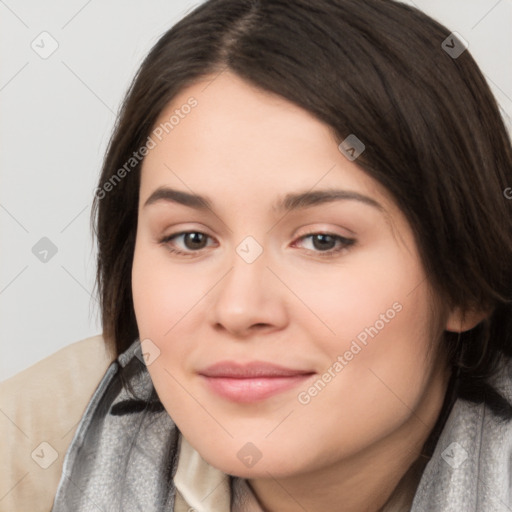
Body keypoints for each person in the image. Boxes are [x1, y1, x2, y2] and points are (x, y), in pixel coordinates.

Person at [3, 0, 512, 510]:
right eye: (191, 239)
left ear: (465, 280)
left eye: (322, 240)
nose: (240, 309)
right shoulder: (27, 450)